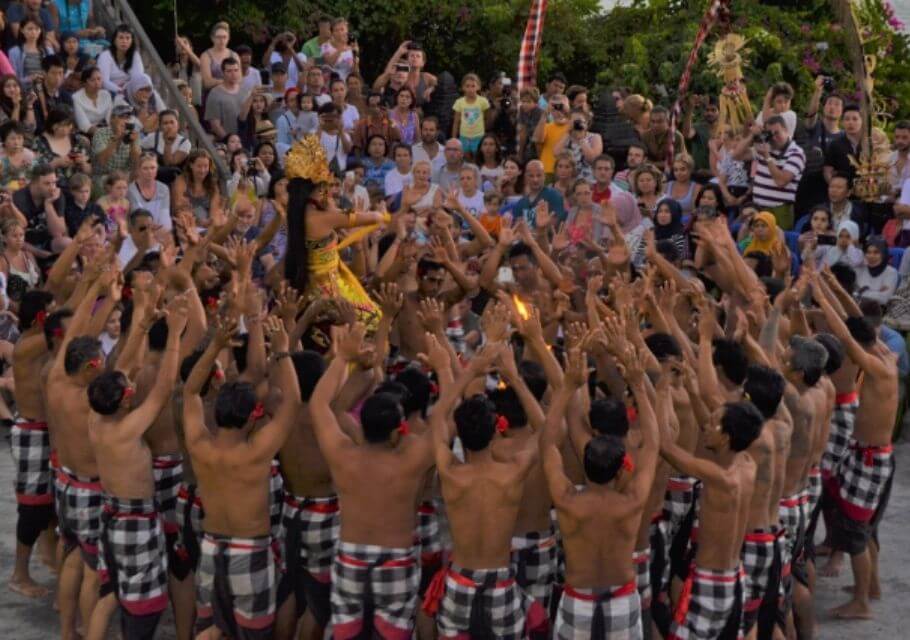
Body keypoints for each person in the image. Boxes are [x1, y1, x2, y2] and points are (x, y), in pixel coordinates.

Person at [309, 323, 434, 639]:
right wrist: (444, 367)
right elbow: (445, 419)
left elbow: (318, 405)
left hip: (350, 558)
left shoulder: (342, 453)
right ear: (397, 431)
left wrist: (342, 359)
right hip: (396, 562)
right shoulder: (411, 459)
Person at [183, 314, 300, 639]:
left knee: (208, 629)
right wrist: (282, 351)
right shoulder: (256, 450)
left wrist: (215, 346)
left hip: (210, 547)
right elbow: (293, 401)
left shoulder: (199, 444)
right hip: (250, 550)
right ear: (252, 418)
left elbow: (191, 392)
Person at [422, 339, 547, 639]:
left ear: (460, 437)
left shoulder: (451, 472)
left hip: (459, 582)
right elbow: (544, 427)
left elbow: (438, 416)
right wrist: (513, 377)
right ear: (496, 432)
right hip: (500, 583)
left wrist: (458, 371)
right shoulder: (512, 473)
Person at [86, 295, 188, 639]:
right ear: (125, 400)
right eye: (129, 389)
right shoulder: (127, 429)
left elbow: (122, 368)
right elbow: (162, 390)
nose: (132, 384)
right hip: (135, 525)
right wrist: (174, 334)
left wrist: (142, 325)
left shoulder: (96, 419)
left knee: (113, 595)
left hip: (113, 516)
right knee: (143, 613)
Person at [544, 343, 658, 639]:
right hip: (622, 599)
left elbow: (547, 444)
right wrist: (638, 386)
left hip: (577, 601)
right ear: (622, 468)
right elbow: (653, 444)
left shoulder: (567, 499)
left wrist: (567, 387)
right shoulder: (632, 500)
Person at [812, 271, 897, 620]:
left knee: (855, 531)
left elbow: (845, 333)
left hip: (871, 459)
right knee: (864, 526)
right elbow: (856, 322)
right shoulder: (884, 352)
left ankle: (862, 602)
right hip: (870, 456)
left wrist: (819, 292)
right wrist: (832, 287)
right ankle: (870, 586)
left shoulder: (877, 366)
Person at [661, 401, 764, 639]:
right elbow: (718, 435)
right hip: (733, 576)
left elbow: (665, 447)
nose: (705, 426)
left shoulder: (720, 477)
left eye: (712, 423)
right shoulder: (748, 463)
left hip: (710, 582)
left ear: (726, 437)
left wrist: (657, 389)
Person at [7, 289, 56, 598]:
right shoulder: (29, 344)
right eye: (51, 312)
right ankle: (19, 573)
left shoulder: (38, 340)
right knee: (33, 509)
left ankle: (47, 554)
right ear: (40, 317)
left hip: (45, 431)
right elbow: (77, 324)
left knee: (49, 505)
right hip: (32, 433)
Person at [745, 115, 805, 230]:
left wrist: (767, 157)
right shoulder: (765, 147)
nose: (774, 137)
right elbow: (736, 155)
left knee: (778, 244)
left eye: (777, 133)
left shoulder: (796, 153)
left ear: (786, 130)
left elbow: (781, 181)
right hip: (759, 207)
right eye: (770, 134)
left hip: (780, 209)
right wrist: (752, 136)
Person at [33, 107, 90, 191]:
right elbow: (34, 171)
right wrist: (55, 163)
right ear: (53, 125)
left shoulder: (78, 140)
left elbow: (89, 171)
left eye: (69, 125)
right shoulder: (39, 142)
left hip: (79, 189)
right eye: (63, 125)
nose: (67, 129)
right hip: (53, 188)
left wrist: (83, 163)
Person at [91, 103, 140, 190]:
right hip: (104, 176)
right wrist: (117, 138)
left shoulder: (133, 134)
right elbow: (102, 161)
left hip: (125, 176)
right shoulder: (101, 133)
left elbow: (136, 164)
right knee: (102, 183)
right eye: (122, 117)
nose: (126, 121)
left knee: (137, 182)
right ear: (112, 119)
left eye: (128, 118)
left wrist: (133, 143)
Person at [591, 154, 639, 234]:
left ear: (612, 171)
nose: (603, 172)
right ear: (593, 171)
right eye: (599, 169)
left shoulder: (620, 195)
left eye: (606, 169)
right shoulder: (586, 190)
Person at [204, 57, 248, 141]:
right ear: (223, 73)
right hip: (225, 141)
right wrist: (229, 141)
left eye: (236, 70)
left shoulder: (245, 91)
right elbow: (215, 125)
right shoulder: (214, 94)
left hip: (246, 140)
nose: (233, 74)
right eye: (229, 71)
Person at [552, 109, 602, 183]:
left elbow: (593, 159)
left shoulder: (595, 137)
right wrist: (568, 133)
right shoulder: (565, 138)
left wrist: (581, 139)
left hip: (588, 182)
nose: (577, 124)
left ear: (586, 123)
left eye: (579, 121)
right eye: (574, 121)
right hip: (569, 182)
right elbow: (555, 153)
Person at [513, 160, 566, 226]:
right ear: (526, 177)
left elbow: (556, 223)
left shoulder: (554, 196)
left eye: (539, 175)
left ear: (544, 176)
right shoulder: (521, 203)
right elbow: (516, 227)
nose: (535, 179)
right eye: (531, 176)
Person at [95, 24, 143, 96]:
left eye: (127, 38)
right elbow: (104, 81)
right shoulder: (105, 56)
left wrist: (127, 88)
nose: (124, 41)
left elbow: (138, 77)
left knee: (152, 93)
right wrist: (120, 90)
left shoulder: (135, 55)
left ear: (132, 41)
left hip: (130, 90)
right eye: (121, 38)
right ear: (114, 40)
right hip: (110, 91)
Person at [531, 93, 570, 177]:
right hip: (547, 171)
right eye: (554, 108)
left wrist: (568, 112)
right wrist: (545, 114)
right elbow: (537, 140)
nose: (558, 110)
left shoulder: (573, 126)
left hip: (568, 172)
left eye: (561, 106)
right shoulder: (545, 126)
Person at [451, 73, 490, 157]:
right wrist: (454, 138)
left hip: (479, 136)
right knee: (465, 158)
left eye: (473, 86)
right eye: (467, 86)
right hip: (464, 136)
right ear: (463, 87)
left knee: (478, 157)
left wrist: (485, 133)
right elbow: (456, 122)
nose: (470, 89)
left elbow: (487, 118)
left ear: (478, 87)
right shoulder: (459, 102)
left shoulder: (483, 102)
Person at [824, 104, 863, 184]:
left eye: (855, 119)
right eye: (847, 119)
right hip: (843, 192)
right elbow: (827, 171)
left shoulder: (870, 144)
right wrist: (836, 188)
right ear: (842, 122)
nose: (850, 123)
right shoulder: (835, 145)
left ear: (862, 121)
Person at [854, 236, 898, 306]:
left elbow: (883, 299)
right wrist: (876, 292)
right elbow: (849, 293)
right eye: (868, 252)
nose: (871, 256)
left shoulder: (891, 272)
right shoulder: (859, 268)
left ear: (884, 254)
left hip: (877, 313)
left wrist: (860, 292)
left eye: (876, 252)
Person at [641, 106, 686, 172]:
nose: (655, 125)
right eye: (653, 121)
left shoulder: (676, 136)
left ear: (668, 121)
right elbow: (642, 159)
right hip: (649, 172)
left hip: (673, 172)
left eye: (660, 121)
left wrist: (652, 164)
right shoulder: (645, 136)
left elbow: (678, 162)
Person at [72, 66, 112, 137]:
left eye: (99, 79)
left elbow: (110, 118)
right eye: (92, 80)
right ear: (84, 83)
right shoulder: (76, 98)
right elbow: (84, 125)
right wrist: (105, 134)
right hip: (87, 134)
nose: (97, 83)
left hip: (107, 130)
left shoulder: (106, 95)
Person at [320, 18, 358, 82]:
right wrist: (341, 47)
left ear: (347, 30)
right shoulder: (325, 46)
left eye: (342, 29)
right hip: (331, 80)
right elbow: (330, 63)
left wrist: (355, 60)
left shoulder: (352, 46)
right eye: (336, 30)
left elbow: (355, 71)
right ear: (332, 33)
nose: (340, 32)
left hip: (348, 81)